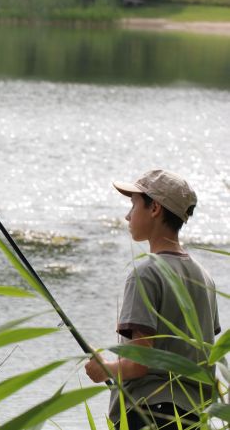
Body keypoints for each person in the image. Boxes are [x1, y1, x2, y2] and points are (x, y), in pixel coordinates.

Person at [85, 170, 220, 430]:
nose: (128, 215)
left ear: (155, 208)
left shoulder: (146, 273)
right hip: (195, 417)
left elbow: (139, 363)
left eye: (134, 204)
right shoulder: (204, 277)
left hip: (151, 414)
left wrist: (106, 369)